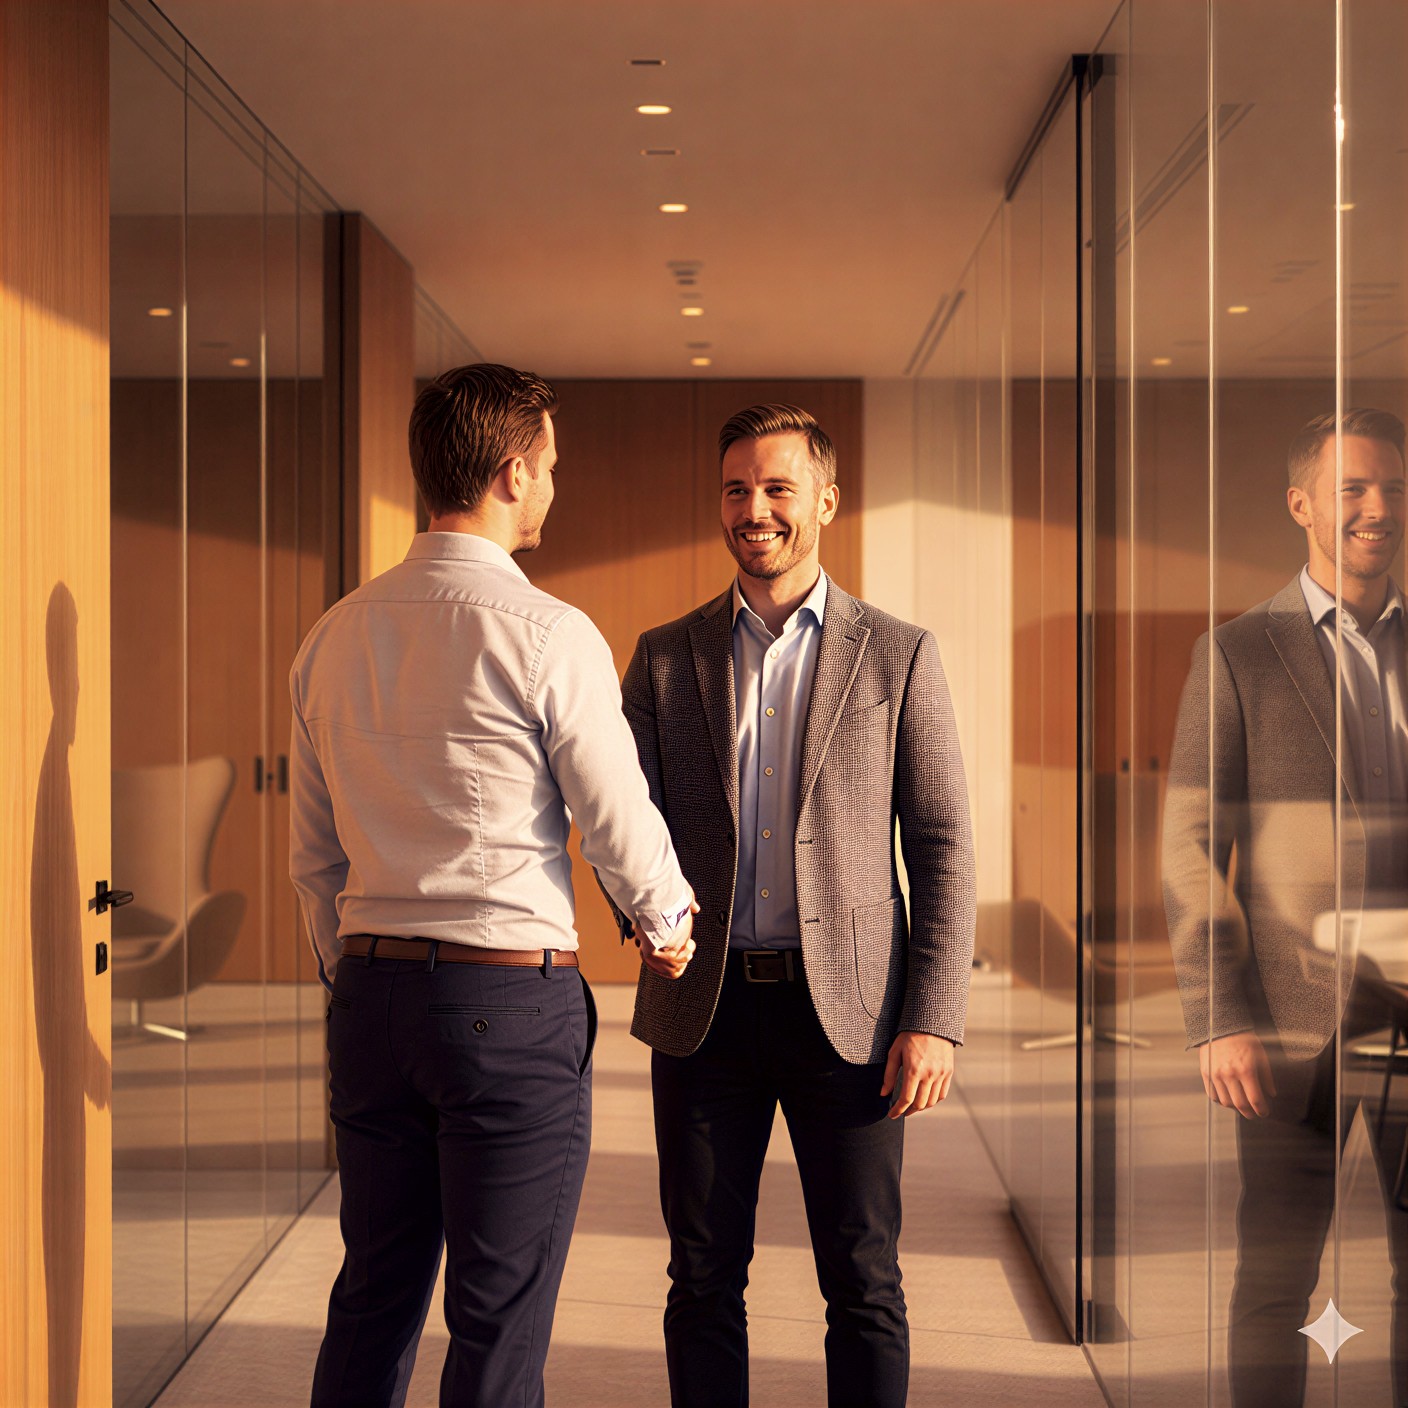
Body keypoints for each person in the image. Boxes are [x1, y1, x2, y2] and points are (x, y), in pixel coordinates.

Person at [290, 363, 697, 1408]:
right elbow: (612, 812)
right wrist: (667, 918)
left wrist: (359, 976)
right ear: (512, 472)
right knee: (497, 1318)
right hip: (505, 1007)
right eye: (551, 465)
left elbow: (313, 855)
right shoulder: (547, 632)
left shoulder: (331, 636)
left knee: (372, 1295)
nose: (556, 485)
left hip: (371, 1004)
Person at [616, 403, 976, 1408]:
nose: (755, 509)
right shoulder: (662, 655)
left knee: (862, 1281)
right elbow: (618, 817)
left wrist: (931, 1018)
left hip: (852, 1022)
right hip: (705, 1013)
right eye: (736, 489)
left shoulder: (898, 653)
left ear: (824, 497)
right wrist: (643, 915)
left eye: (776, 487)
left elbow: (942, 841)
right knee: (700, 1279)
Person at [1163, 407, 1408, 1406]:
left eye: (1389, 487)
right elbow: (1187, 849)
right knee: (1273, 1283)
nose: (1376, 508)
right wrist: (1218, 1016)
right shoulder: (1238, 654)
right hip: (1289, 1025)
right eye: (1351, 489)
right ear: (1301, 503)